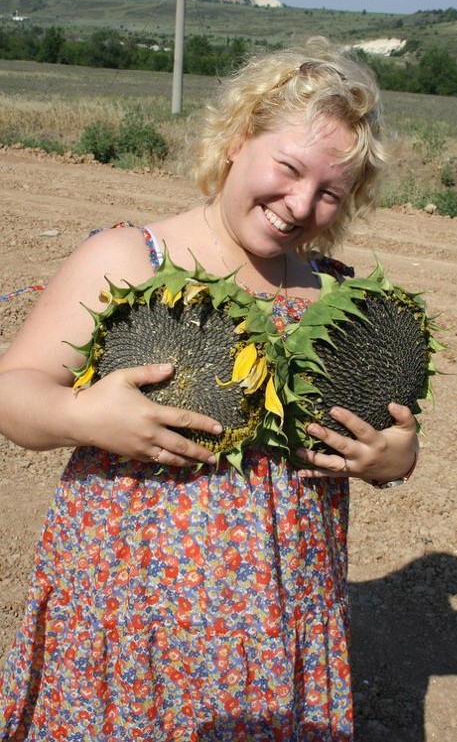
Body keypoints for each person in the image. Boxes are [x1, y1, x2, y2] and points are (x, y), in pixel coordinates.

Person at [0, 37, 418, 741]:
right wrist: (83, 412)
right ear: (235, 138)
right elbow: (14, 392)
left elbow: (393, 435)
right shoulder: (130, 257)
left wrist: (393, 460)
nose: (298, 203)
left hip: (282, 617)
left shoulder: (336, 298)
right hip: (130, 611)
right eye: (286, 169)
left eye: (328, 193)